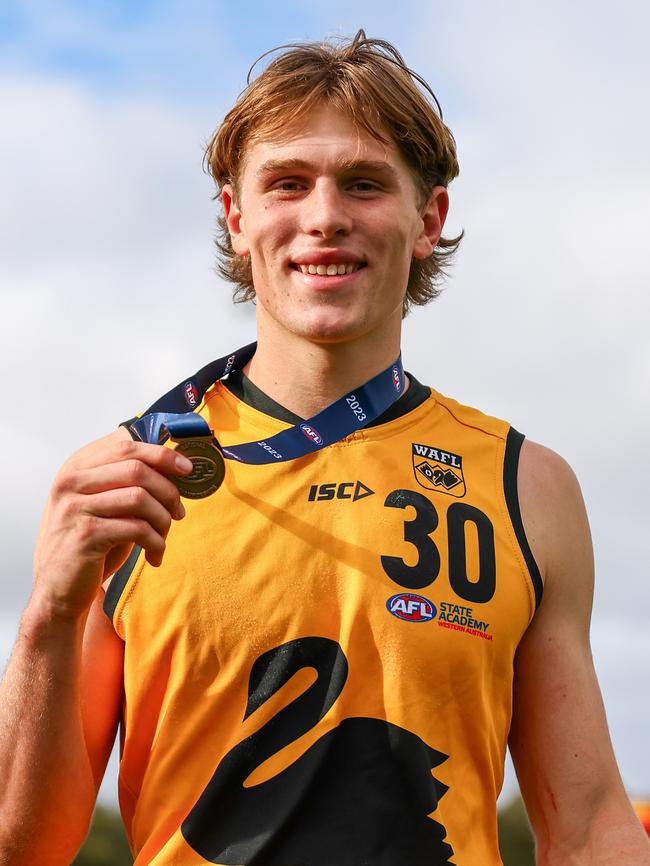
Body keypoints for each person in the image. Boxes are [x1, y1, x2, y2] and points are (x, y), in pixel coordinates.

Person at [0, 30, 648, 866]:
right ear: (238, 218)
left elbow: (591, 826)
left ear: (429, 218)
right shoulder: (129, 479)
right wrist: (46, 618)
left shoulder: (527, 486)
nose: (325, 216)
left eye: (366, 183)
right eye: (287, 184)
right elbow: (26, 846)